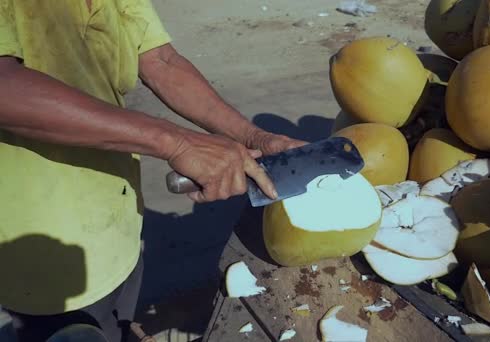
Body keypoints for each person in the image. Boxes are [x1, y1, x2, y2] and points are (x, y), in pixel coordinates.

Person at [0, 0, 306, 341]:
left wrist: (254, 137)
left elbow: (160, 59)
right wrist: (178, 143)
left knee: (120, 321)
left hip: (118, 222)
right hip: (41, 251)